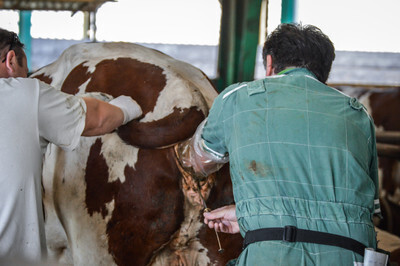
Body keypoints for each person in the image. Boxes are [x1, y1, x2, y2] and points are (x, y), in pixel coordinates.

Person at [177, 23, 381, 265]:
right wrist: (247, 215)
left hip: (273, 256)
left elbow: (197, 162)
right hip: (352, 256)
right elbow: (364, 211)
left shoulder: (239, 97)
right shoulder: (357, 113)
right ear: (324, 72)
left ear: (270, 63)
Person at [0, 28, 142, 263]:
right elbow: (97, 119)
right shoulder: (23, 93)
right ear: (11, 61)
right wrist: (127, 108)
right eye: (25, 73)